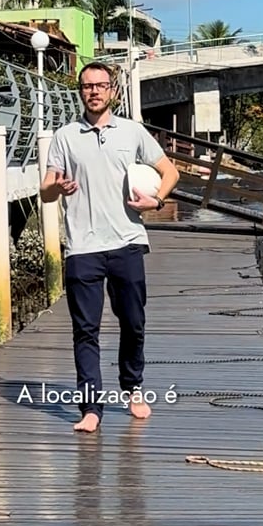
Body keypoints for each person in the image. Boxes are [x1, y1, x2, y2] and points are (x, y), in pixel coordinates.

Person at [39, 61, 180, 433]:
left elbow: (170, 172)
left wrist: (157, 201)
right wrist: (57, 187)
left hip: (127, 242)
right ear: (80, 92)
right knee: (85, 330)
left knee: (133, 322)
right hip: (82, 247)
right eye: (87, 86)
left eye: (100, 85)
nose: (94, 92)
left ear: (112, 91)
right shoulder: (65, 136)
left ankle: (132, 387)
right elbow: (46, 190)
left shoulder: (132, 132)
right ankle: (91, 408)